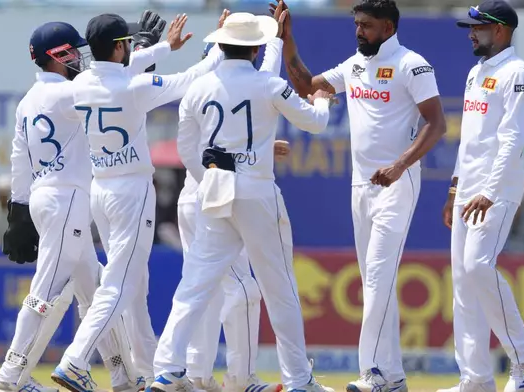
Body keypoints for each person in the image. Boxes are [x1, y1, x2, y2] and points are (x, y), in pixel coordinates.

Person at [150, 11, 335, 392]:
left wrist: (214, 178)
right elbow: (314, 123)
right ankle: (299, 379)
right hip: (258, 193)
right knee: (279, 287)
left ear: (220, 45)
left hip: (215, 192)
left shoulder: (199, 89)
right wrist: (320, 100)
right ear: (254, 47)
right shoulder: (268, 84)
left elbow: (187, 150)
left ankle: (167, 369)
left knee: (195, 284)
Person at [52, 11, 227, 392]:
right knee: (119, 285)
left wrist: (161, 47)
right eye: (127, 44)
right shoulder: (134, 88)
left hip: (102, 189)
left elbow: (124, 68)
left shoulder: (81, 83)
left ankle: (145, 372)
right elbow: (189, 79)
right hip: (131, 192)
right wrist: (220, 44)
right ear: (118, 48)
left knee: (135, 286)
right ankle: (75, 361)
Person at [277, 0, 446, 390]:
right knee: (376, 282)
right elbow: (304, 86)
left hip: (397, 184)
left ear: (388, 27)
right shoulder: (353, 65)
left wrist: (401, 164)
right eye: (356, 24)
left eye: (366, 26)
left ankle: (372, 372)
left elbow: (436, 124)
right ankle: (394, 376)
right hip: (361, 185)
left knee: (377, 278)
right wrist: (287, 41)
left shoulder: (411, 64)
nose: (358, 32)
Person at [0, 15, 169, 392]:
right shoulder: (65, 94)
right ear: (58, 55)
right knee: (46, 293)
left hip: (46, 198)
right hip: (67, 202)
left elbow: (17, 159)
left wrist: (18, 213)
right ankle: (11, 378)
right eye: (74, 51)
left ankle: (124, 376)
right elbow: (115, 88)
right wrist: (143, 51)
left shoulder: (28, 101)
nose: (80, 58)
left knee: (93, 292)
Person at [440, 2, 524, 392]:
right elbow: (470, 140)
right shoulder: (475, 72)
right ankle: (476, 379)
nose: (471, 33)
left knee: (478, 267)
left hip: (496, 190)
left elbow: (512, 138)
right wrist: (455, 189)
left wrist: (487, 189)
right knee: (464, 284)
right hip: (469, 189)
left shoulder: (519, 73)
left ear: (500, 30)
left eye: (478, 27)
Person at [181, 7, 287, 392]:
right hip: (214, 198)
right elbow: (266, 81)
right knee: (243, 290)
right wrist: (274, 38)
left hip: (200, 196)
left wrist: (254, 150)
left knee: (203, 289)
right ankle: (240, 380)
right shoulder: (223, 81)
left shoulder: (210, 81)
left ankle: (195, 374)